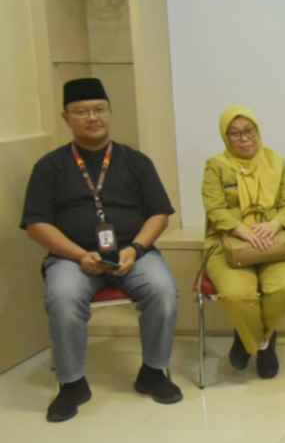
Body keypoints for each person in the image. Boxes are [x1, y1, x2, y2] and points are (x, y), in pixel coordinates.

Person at [21, 78, 182, 422]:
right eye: (82, 111)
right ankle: (72, 383)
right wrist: (79, 256)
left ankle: (153, 372)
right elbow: (37, 224)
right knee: (63, 298)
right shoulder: (49, 166)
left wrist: (137, 248)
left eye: (99, 109)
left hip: (132, 252)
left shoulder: (135, 161)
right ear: (66, 117)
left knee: (163, 290)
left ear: (110, 113)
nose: (92, 117)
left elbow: (159, 214)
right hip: (72, 256)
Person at [202, 105, 285, 379]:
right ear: (225, 137)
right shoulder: (216, 166)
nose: (244, 138)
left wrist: (273, 224)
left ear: (258, 131)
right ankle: (263, 343)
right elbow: (214, 208)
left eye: (249, 131)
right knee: (236, 295)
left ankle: (248, 336)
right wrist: (241, 230)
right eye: (235, 133)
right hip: (227, 244)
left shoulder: (277, 162)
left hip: (272, 241)